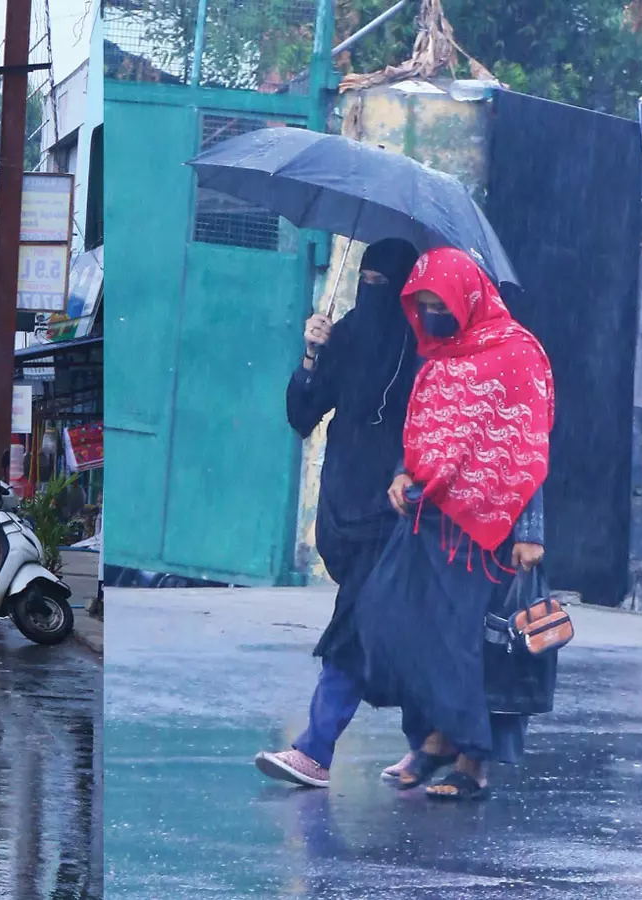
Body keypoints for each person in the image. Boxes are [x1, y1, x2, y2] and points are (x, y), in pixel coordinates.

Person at [357, 247, 553, 801]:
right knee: (396, 624)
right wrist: (401, 474)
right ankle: (433, 738)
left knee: (467, 644)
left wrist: (532, 531)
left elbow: (529, 443)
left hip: (491, 526)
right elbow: (423, 429)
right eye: (421, 305)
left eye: (438, 304)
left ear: (466, 298)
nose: (430, 315)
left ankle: (473, 760)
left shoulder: (518, 353)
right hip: (429, 515)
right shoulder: (436, 356)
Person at [255, 239, 421, 789]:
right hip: (342, 505)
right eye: (364, 277)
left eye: (383, 281)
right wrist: (311, 353)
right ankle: (434, 745)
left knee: (354, 623)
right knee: (394, 628)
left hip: (397, 505)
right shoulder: (345, 334)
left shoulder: (422, 346)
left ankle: (315, 749)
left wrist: (408, 470)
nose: (370, 288)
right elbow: (302, 415)